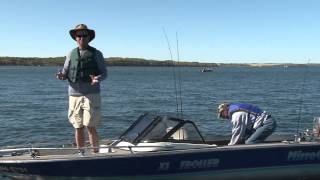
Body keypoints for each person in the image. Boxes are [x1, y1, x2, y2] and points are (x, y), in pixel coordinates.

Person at [56, 24, 107, 154]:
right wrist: (61, 76)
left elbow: (104, 73)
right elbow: (65, 72)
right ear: (75, 38)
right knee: (77, 126)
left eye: (85, 35)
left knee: (90, 126)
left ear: (89, 37)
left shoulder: (96, 53)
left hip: (91, 94)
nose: (82, 38)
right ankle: (81, 152)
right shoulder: (70, 54)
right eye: (79, 35)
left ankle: (96, 153)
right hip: (74, 94)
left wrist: (97, 79)